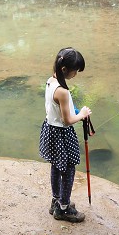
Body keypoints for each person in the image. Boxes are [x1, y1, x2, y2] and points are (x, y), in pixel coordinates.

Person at [39, 47, 92, 222]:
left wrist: (74, 109)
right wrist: (82, 114)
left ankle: (56, 201)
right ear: (65, 70)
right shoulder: (63, 91)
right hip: (62, 133)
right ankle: (64, 208)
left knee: (56, 165)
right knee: (69, 169)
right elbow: (68, 120)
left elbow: (58, 109)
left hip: (50, 129)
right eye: (75, 70)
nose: (76, 74)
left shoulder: (50, 81)